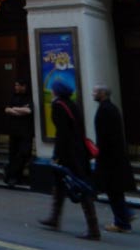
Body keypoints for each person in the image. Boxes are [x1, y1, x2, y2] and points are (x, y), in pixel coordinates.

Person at [38, 78, 100, 241]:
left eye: (53, 89)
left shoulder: (58, 106)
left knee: (80, 186)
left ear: (56, 91)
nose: (51, 91)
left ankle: (93, 229)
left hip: (68, 154)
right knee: (60, 184)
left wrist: (57, 156)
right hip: (79, 151)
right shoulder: (72, 105)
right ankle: (54, 218)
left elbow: (62, 134)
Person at [93, 85, 136, 233]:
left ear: (102, 93)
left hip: (109, 158)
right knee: (115, 190)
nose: (93, 94)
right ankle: (125, 214)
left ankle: (122, 223)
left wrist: (99, 152)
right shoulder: (111, 108)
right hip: (114, 156)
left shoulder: (105, 110)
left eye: (95, 92)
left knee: (113, 190)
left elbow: (105, 136)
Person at [4, 80, 34, 187]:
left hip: (26, 132)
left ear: (23, 86)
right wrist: (20, 110)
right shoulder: (13, 96)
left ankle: (15, 175)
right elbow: (7, 109)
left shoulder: (29, 97)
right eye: (15, 85)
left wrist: (14, 109)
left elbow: (29, 111)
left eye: (17, 85)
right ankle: (13, 177)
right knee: (13, 154)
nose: (15, 87)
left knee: (23, 153)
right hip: (14, 131)